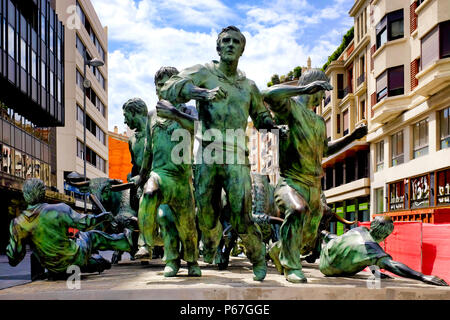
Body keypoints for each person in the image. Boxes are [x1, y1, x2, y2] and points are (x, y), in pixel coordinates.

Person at [160, 26, 282, 281]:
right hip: (207, 153)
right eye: (225, 41)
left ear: (242, 49)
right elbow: (168, 88)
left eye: (235, 42)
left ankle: (258, 257)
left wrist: (273, 125)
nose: (229, 45)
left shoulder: (249, 86)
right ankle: (211, 239)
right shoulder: (204, 72)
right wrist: (201, 93)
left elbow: (260, 116)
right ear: (217, 47)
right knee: (205, 215)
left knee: (241, 213)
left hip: (236, 153)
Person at [262, 69, 367, 283]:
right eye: (322, 90)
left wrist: (352, 138)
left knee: (308, 237)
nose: (324, 96)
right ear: (314, 88)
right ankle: (291, 266)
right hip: (290, 181)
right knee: (297, 210)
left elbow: (325, 150)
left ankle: (277, 251)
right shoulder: (291, 108)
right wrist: (301, 89)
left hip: (314, 185)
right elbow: (268, 95)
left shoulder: (319, 121)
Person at [131, 67, 201, 277]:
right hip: (159, 174)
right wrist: (141, 177)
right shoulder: (151, 116)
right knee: (151, 195)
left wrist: (175, 114)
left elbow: (200, 130)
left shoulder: (189, 111)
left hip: (181, 179)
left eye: (168, 83)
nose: (163, 88)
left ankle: (192, 261)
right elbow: (148, 150)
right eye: (159, 84)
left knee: (186, 226)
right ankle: (151, 248)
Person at [6, 178, 134, 276]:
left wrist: (13, 244)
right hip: (74, 257)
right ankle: (126, 243)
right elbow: (85, 223)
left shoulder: (18, 223)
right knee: (91, 236)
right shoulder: (59, 209)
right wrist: (103, 217)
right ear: (43, 193)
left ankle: (98, 262)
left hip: (53, 268)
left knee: (82, 248)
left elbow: (14, 259)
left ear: (25, 194)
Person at [319, 215, 448, 286]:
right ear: (385, 235)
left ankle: (322, 233)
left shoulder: (359, 230)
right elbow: (393, 265)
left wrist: (323, 233)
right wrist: (422, 276)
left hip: (326, 254)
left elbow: (365, 257)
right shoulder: (370, 246)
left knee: (342, 241)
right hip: (330, 269)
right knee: (364, 253)